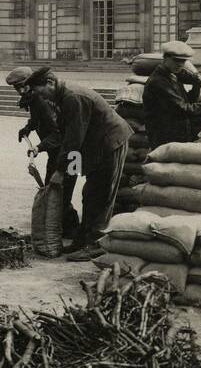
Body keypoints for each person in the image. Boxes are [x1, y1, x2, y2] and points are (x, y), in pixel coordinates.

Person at [27, 67, 132, 259]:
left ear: (50, 83)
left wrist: (61, 170)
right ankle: (81, 240)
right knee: (89, 193)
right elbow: (66, 135)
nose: (42, 98)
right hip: (93, 145)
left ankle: (95, 244)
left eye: (42, 92)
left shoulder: (72, 98)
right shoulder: (59, 97)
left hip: (109, 143)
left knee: (98, 194)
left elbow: (74, 139)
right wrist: (69, 170)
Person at [8, 65, 78, 238]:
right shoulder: (34, 99)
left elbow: (58, 134)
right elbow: (37, 119)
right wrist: (27, 128)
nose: (20, 91)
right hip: (58, 153)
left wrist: (39, 147)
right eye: (17, 88)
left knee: (60, 190)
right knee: (52, 190)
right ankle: (63, 229)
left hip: (70, 154)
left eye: (21, 86)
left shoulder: (42, 100)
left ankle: (71, 230)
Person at [141, 40, 201, 151]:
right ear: (165, 58)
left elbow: (188, 102)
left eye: (183, 61)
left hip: (177, 134)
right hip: (164, 137)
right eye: (177, 60)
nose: (181, 65)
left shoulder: (173, 75)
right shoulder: (159, 82)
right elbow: (183, 110)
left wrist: (197, 85)